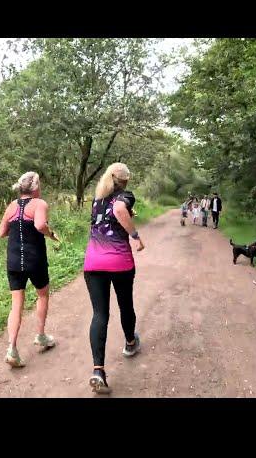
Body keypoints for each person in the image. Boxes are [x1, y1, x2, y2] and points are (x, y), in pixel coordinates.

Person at [83, 162, 146, 394]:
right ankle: (130, 343)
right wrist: (136, 236)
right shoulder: (125, 196)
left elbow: (110, 216)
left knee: (100, 314)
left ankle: (98, 370)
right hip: (119, 262)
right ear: (125, 180)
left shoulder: (97, 200)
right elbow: (119, 210)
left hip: (92, 263)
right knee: (125, 304)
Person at [0, 171, 59, 368]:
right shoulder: (39, 203)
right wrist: (50, 233)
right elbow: (40, 224)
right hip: (35, 259)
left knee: (17, 303)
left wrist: (17, 229)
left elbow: (1, 233)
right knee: (42, 295)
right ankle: (40, 336)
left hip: (14, 261)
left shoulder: (11, 206)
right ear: (36, 188)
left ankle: (12, 349)